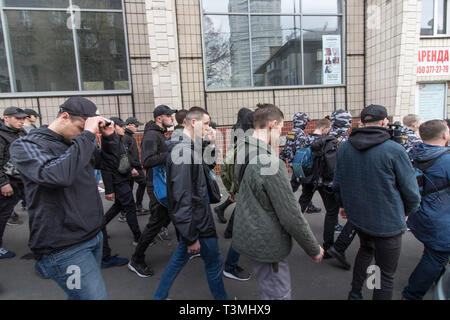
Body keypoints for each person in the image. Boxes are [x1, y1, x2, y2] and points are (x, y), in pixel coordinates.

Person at [9, 97, 122, 299]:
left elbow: (110, 165)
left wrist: (110, 138)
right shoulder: (26, 145)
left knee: (79, 296)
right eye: (81, 127)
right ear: (64, 117)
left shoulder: (76, 142)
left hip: (91, 235)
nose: (83, 132)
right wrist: (87, 135)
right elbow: (56, 175)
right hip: (64, 245)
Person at [232, 104, 324, 300]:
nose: (281, 134)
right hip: (267, 242)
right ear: (273, 125)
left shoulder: (243, 148)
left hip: (251, 232)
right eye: (281, 128)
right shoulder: (270, 163)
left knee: (267, 288)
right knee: (277, 294)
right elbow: (291, 215)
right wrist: (313, 248)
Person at [333, 104, 421, 300]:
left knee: (366, 249)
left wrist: (343, 205)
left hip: (360, 218)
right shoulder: (394, 150)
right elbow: (411, 192)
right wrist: (406, 211)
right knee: (385, 274)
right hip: (388, 223)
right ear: (384, 122)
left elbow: (338, 183)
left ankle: (355, 294)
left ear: (362, 122)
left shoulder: (345, 147)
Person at [153, 107, 228, 300]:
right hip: (198, 222)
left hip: (197, 219)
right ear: (193, 123)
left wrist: (210, 143)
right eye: (206, 123)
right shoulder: (182, 152)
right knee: (214, 262)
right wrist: (189, 236)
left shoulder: (188, 146)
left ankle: (159, 297)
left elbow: (207, 163)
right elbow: (180, 197)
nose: (209, 127)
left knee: (181, 258)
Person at [402, 120, 450, 300]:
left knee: (432, 249)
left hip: (418, 215)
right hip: (439, 219)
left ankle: (435, 277)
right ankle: (411, 295)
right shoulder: (447, 159)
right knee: (437, 255)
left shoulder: (411, 153)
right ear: (444, 135)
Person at [128, 105, 177, 277]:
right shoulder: (151, 135)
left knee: (170, 215)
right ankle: (136, 259)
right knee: (155, 222)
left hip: (161, 183)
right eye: (169, 116)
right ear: (159, 118)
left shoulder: (159, 133)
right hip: (155, 186)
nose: (172, 118)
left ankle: (188, 247)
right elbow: (147, 161)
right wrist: (170, 152)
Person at [101, 117, 142, 259]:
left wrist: (131, 169)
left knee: (119, 206)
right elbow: (106, 168)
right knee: (129, 207)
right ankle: (138, 237)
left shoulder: (120, 139)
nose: (124, 129)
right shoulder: (109, 142)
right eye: (121, 126)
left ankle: (100, 227)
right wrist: (109, 190)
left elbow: (123, 159)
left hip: (124, 178)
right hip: (119, 182)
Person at [325, 109, 358, 269]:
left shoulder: (326, 135)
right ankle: (338, 248)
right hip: (342, 185)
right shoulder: (346, 140)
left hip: (324, 182)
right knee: (356, 217)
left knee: (331, 214)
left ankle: (328, 247)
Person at [214, 107, 253, 224]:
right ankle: (230, 228)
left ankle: (221, 209)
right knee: (241, 192)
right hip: (240, 159)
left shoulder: (235, 127)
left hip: (234, 157)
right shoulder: (243, 129)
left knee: (238, 191)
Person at [280, 112, 321, 214]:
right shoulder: (300, 134)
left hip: (293, 163)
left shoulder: (291, 132)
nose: (307, 123)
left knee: (303, 185)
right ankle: (281, 203)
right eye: (306, 121)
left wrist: (283, 158)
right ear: (302, 121)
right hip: (299, 165)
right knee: (296, 186)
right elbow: (301, 151)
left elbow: (286, 148)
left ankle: (309, 206)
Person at [0, 107, 28, 259]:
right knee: (3, 214)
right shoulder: (1, 135)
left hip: (22, 180)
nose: (21, 121)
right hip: (8, 182)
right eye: (17, 118)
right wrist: (3, 183)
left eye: (23, 118)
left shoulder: (20, 132)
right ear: (6, 118)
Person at [124, 116, 148, 215]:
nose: (137, 128)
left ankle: (134, 207)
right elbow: (125, 155)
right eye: (136, 126)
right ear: (129, 125)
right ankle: (131, 209)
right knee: (130, 188)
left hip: (134, 165)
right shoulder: (126, 137)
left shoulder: (130, 136)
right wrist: (132, 167)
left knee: (137, 185)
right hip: (132, 167)